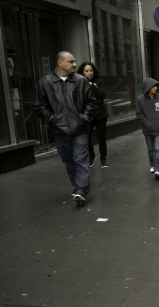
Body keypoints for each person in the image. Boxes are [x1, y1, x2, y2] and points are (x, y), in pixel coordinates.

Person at [34, 51, 95, 207]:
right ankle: (77, 187)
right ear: (60, 63)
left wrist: (83, 118)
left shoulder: (81, 81)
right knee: (69, 161)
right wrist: (53, 120)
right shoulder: (45, 82)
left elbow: (91, 103)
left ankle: (81, 190)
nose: (75, 64)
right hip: (59, 131)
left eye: (74, 61)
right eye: (71, 61)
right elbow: (39, 106)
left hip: (79, 129)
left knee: (81, 159)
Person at [77, 62, 109, 168]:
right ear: (82, 72)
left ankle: (103, 159)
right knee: (87, 137)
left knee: (101, 138)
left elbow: (102, 95)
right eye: (87, 71)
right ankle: (91, 156)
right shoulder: (80, 83)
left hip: (100, 114)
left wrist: (93, 86)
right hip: (87, 114)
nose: (89, 73)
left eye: (91, 70)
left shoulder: (99, 82)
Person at [136, 78, 159, 180]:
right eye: (153, 86)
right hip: (147, 130)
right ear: (148, 88)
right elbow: (139, 114)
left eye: (156, 86)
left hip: (158, 129)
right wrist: (147, 124)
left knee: (157, 149)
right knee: (150, 149)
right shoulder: (140, 100)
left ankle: (157, 170)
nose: (155, 88)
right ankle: (153, 165)